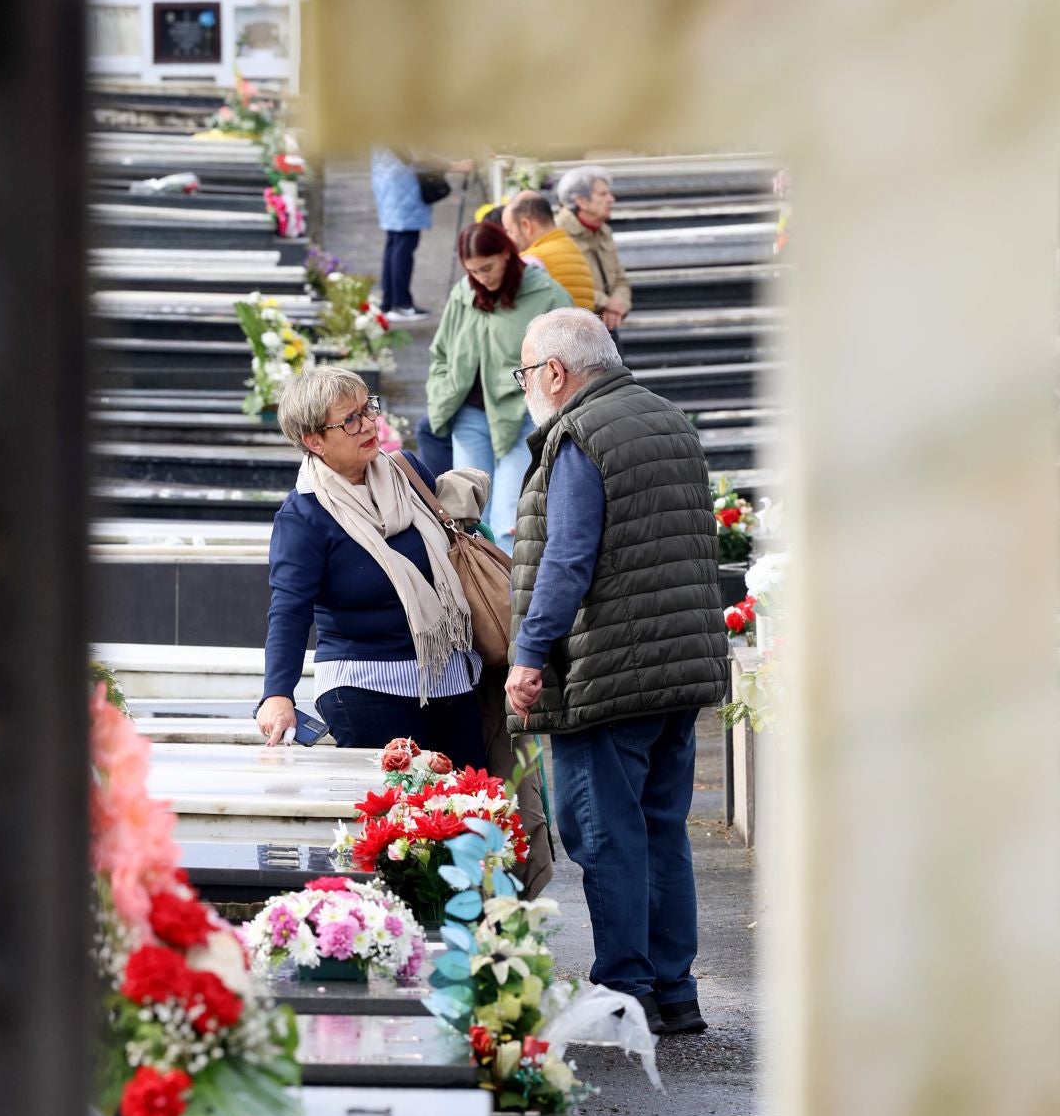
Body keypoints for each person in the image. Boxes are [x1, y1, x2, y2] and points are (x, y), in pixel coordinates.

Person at [503, 309, 727, 1037]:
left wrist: (529, 653)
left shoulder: (579, 434)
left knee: (604, 833)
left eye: (526, 373)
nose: (525, 387)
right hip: (679, 664)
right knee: (661, 828)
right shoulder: (667, 420)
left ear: (556, 372)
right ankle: (675, 992)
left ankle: (626, 991)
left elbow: (567, 558)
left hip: (609, 674)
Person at [256, 366, 483, 762]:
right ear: (314, 441)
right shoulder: (303, 516)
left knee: (472, 799)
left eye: (367, 409)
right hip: (365, 689)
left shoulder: (407, 473)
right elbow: (289, 609)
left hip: (451, 678)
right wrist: (277, 694)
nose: (367, 424)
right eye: (349, 420)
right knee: (397, 802)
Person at [426, 219, 573, 554]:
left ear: (507, 253)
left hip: (523, 416)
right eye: (473, 271)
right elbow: (440, 353)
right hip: (468, 415)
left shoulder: (547, 293)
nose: (481, 277)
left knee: (510, 520)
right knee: (467, 518)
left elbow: (570, 356)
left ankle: (509, 590)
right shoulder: (463, 293)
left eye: (487, 267)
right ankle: (478, 588)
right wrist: (440, 392)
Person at [370, 147, 469, 323]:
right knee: (403, 245)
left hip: (387, 180)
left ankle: (389, 302)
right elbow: (419, 153)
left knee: (394, 243)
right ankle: (401, 303)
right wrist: (456, 166)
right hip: (403, 184)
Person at [555, 167, 632, 338]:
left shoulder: (604, 231)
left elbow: (620, 278)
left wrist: (618, 305)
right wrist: (606, 303)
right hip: (573, 331)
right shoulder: (559, 233)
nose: (611, 199)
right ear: (582, 201)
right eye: (603, 194)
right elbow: (563, 284)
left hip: (606, 325)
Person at [501, 189, 596, 310]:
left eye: (510, 231)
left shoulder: (531, 261)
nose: (508, 239)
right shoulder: (571, 247)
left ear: (526, 225)